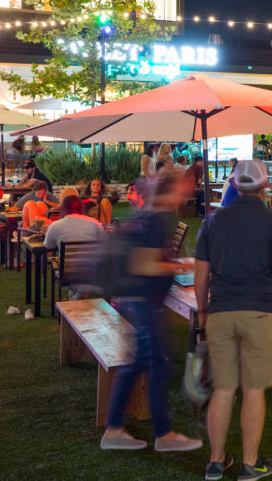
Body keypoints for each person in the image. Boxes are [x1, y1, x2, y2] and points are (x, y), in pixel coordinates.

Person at [194, 159, 272, 480]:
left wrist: (203, 309)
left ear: (233, 185)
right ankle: (249, 464)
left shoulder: (212, 221)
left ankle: (216, 463)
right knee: (254, 389)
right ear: (264, 185)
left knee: (223, 389)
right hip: (259, 312)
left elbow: (201, 275)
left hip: (221, 312)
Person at [101, 173, 202, 454]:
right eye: (184, 186)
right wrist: (182, 267)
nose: (188, 190)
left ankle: (115, 428)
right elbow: (144, 265)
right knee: (158, 365)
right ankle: (163, 434)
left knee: (139, 364)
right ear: (171, 192)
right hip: (144, 301)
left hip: (138, 299)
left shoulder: (149, 214)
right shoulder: (158, 219)